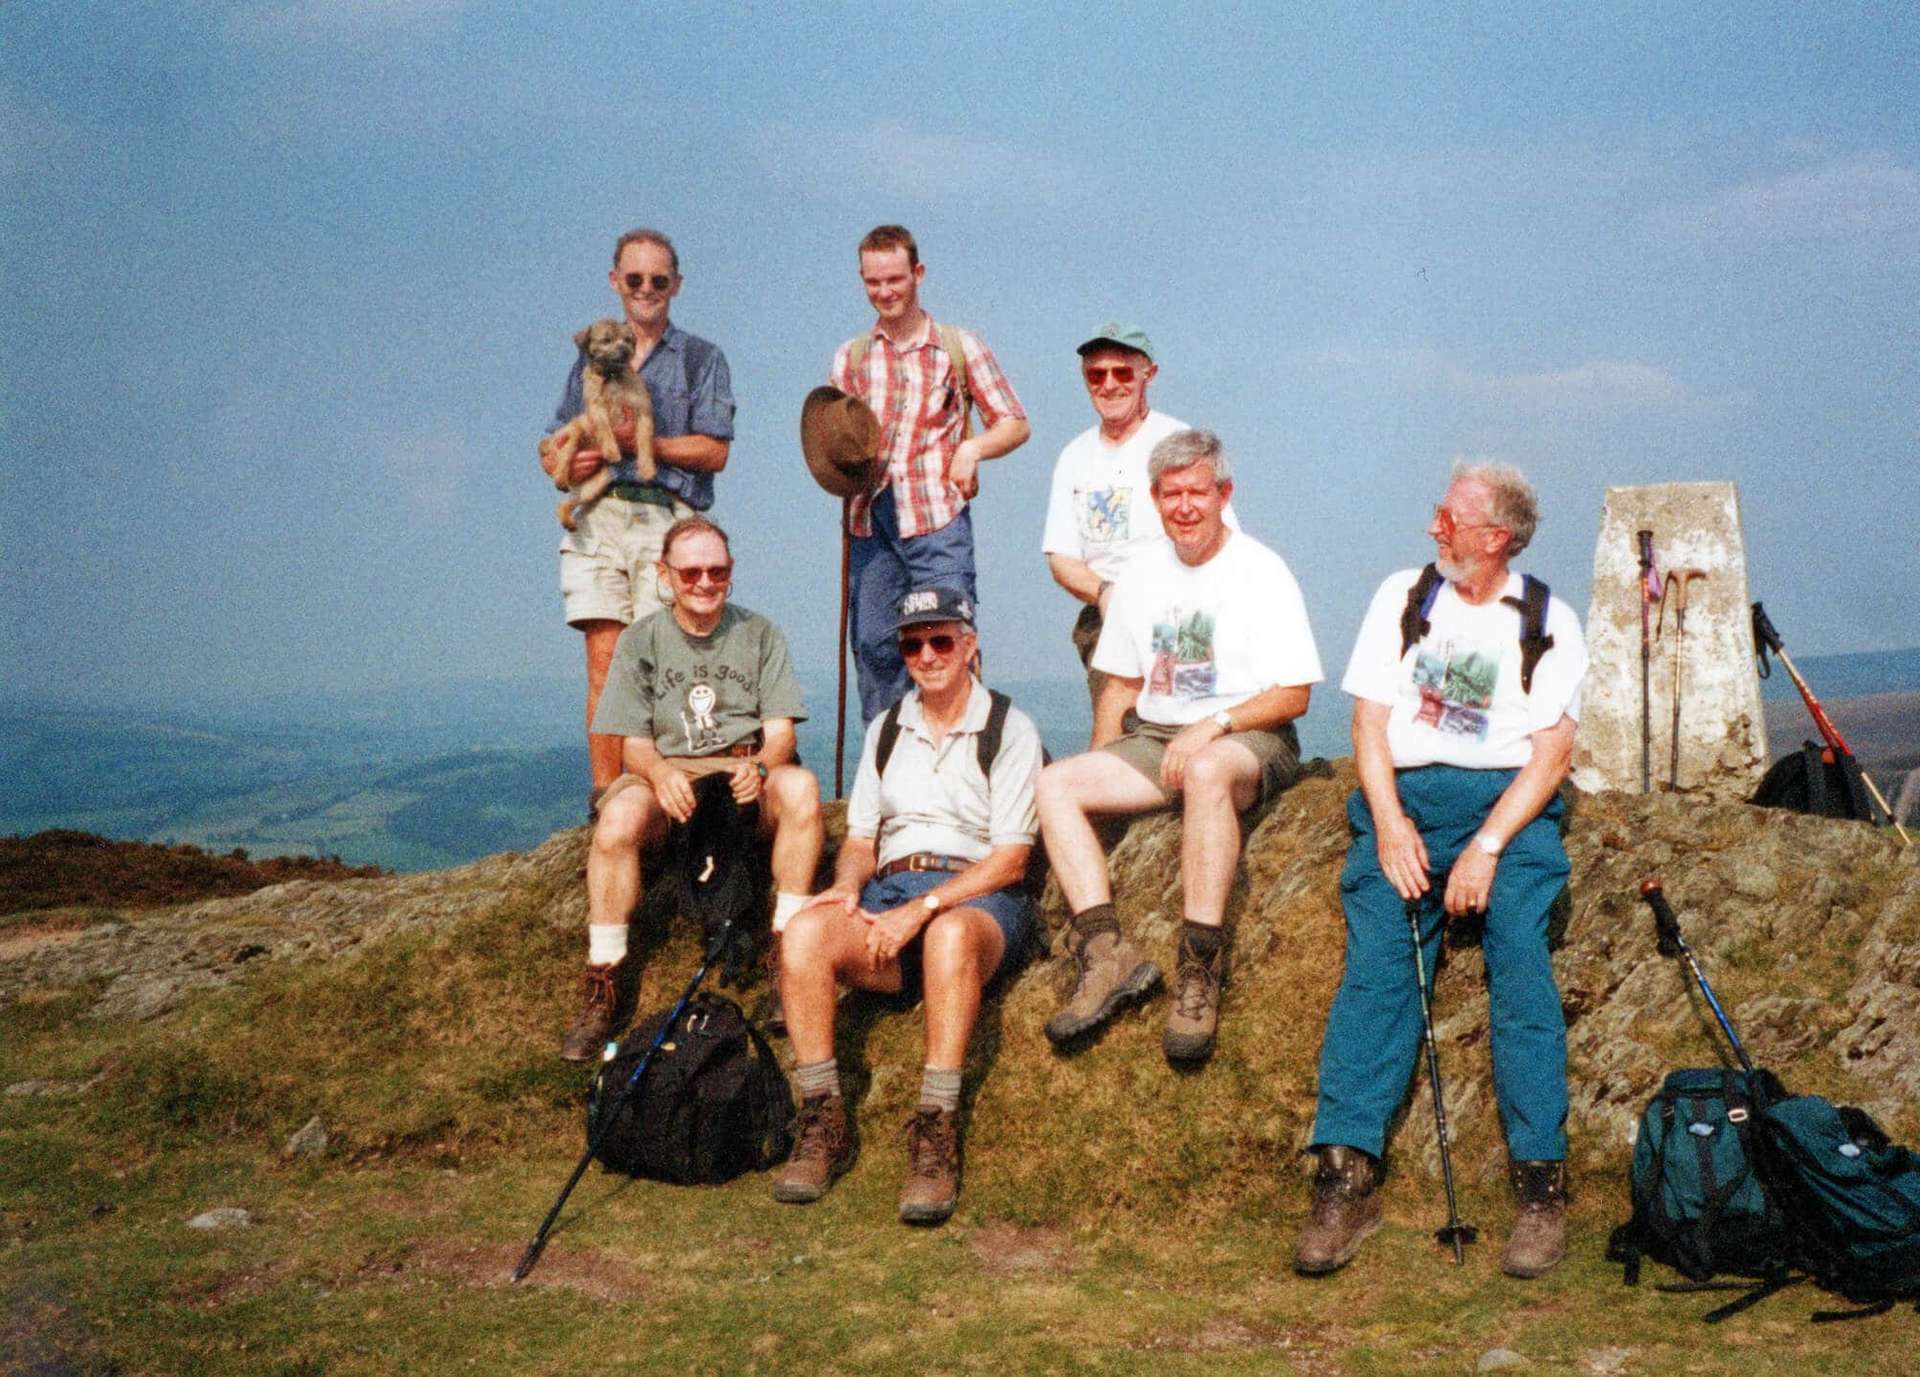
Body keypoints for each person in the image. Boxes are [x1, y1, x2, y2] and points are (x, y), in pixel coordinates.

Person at [1293, 461, 1588, 1280]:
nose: (1434, 527)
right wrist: (1389, 825)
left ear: (1495, 536)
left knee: (1521, 963)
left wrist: (1489, 847)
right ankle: (1345, 1174)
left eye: (1448, 516)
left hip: (1508, 810)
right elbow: (1370, 720)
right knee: (1379, 968)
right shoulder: (1403, 596)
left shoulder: (1546, 617)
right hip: (1410, 803)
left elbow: (1553, 752)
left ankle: (1540, 1187)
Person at [1036, 430, 1321, 1063]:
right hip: (1158, 735)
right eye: (1171, 495)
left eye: (1198, 492)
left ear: (1224, 494)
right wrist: (1098, 768)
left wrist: (1213, 725)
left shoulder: (1261, 570)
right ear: (1155, 500)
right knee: (1056, 784)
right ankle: (1107, 954)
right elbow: (1123, 686)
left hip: (1249, 734)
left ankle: (1198, 969)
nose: (1185, 507)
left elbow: (1295, 693)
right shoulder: (1139, 576)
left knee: (1209, 772)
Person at [771, 585, 1043, 1225]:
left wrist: (922, 910)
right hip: (891, 885)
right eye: (913, 643)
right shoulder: (887, 728)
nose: (927, 654)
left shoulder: (1009, 727)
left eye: (941, 639)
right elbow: (863, 840)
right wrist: (845, 885)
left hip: (979, 894)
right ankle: (822, 1120)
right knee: (804, 935)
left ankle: (936, 1127)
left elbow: (1010, 859)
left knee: (948, 939)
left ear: (970, 647)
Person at [559, 516, 821, 1061]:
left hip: (744, 775)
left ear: (731, 573)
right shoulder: (641, 641)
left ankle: (786, 955)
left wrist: (765, 767)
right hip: (670, 777)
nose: (705, 583)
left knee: (801, 790)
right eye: (691, 571)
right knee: (617, 821)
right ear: (665, 575)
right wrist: (658, 774)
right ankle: (604, 977)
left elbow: (780, 732)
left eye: (718, 571)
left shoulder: (760, 634)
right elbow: (632, 743)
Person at [541, 228, 736, 817]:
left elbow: (716, 451)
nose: (646, 290)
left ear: (676, 285)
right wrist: (563, 459)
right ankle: (608, 805)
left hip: (666, 516)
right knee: (604, 661)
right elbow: (552, 441)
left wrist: (640, 443)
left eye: (658, 280)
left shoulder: (701, 358)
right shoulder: (589, 359)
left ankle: (663, 805)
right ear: (615, 282)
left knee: (663, 664)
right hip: (597, 512)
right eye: (634, 279)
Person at [830, 225, 1030, 722]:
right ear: (862, 280)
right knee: (876, 649)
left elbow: (1015, 422)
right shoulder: (850, 358)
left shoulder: (958, 348)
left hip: (937, 518)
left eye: (895, 279)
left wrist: (973, 450)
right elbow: (831, 441)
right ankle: (891, 771)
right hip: (868, 521)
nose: (885, 292)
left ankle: (969, 765)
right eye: (873, 282)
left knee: (949, 640)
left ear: (917, 274)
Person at [1040, 322, 1237, 712]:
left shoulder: (1179, 441)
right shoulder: (1073, 457)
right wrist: (1106, 593)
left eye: (1122, 372)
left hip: (1184, 612)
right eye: (1097, 374)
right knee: (1121, 732)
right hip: (1110, 618)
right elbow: (1061, 558)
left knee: (1187, 717)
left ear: (1149, 374)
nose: (1109, 384)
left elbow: (1224, 535)